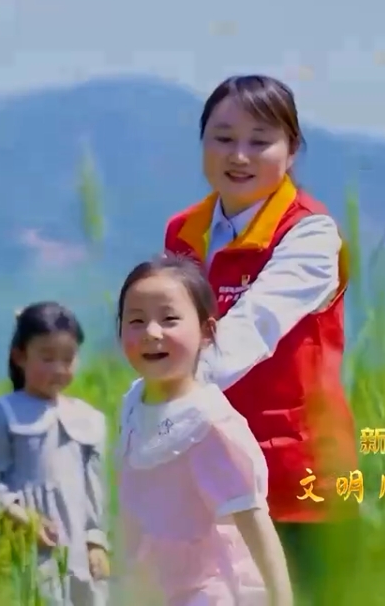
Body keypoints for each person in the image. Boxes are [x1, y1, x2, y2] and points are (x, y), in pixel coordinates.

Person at [162, 74, 358, 601]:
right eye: (223, 138)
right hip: (212, 471)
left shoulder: (310, 235)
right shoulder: (184, 232)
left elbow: (255, 325)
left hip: (297, 472)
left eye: (260, 140)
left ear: (291, 151)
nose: (239, 156)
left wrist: (156, 400)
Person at [115, 255, 293, 606]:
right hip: (151, 589)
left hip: (208, 592)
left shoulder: (208, 424)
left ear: (207, 332)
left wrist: (281, 600)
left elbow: (253, 519)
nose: (151, 333)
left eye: (169, 319)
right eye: (136, 321)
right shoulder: (134, 403)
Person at [0, 302, 109, 606]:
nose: (59, 369)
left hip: (79, 552)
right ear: (20, 356)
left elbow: (94, 490)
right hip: (30, 546)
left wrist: (95, 541)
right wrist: (25, 519)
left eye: (68, 358)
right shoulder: (4, 413)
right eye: (47, 358)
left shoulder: (88, 418)